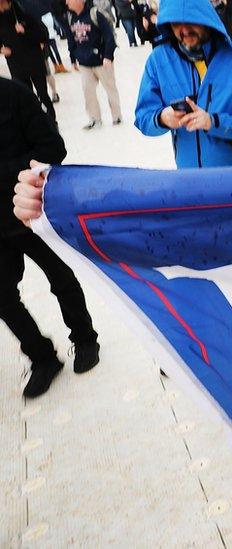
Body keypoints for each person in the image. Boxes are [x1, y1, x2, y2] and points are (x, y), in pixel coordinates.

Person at [2, 76, 99, 398]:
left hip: (31, 211)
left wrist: (12, 176)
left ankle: (84, 339)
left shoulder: (14, 94)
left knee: (60, 277)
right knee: (2, 296)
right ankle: (42, 357)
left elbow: (53, 149)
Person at [134, 0, 232, 168]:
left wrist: (214, 122)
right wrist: (162, 118)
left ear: (206, 19)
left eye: (191, 21)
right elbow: (143, 117)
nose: (184, 30)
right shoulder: (158, 61)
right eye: (176, 23)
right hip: (191, 183)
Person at [65, 0, 122, 129]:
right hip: (84, 63)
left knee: (110, 88)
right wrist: (73, 58)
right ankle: (95, 119)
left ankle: (116, 116)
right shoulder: (70, 18)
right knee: (87, 90)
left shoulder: (95, 13)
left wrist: (108, 56)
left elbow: (109, 36)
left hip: (102, 61)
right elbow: (71, 39)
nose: (67, 2)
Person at [0, 0, 57, 121]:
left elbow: (43, 35)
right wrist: (1, 49)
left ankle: (51, 121)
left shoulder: (25, 14)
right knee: (24, 96)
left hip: (34, 60)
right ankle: (32, 123)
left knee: (42, 94)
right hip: (15, 64)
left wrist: (25, 31)